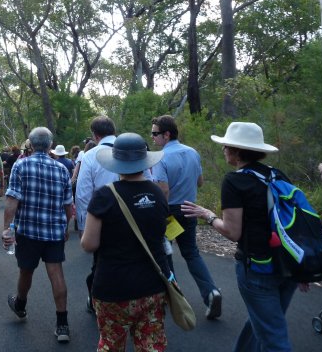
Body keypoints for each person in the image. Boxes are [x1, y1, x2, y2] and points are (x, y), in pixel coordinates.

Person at [181, 122, 309, 351]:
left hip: (257, 269)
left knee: (274, 338)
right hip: (287, 265)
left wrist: (208, 215)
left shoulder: (234, 181)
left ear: (237, 151)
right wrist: (303, 266)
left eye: (226, 146)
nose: (223, 150)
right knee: (264, 320)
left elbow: (232, 232)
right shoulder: (277, 175)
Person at [81, 133, 169, 352]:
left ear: (116, 163)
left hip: (113, 287)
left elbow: (89, 244)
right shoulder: (157, 193)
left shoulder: (104, 196)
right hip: (153, 285)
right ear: (144, 161)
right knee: (151, 346)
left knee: (111, 344)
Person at [2, 127, 74, 344]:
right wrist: (65, 228)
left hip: (28, 231)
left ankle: (21, 305)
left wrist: (7, 229)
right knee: (56, 273)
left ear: (31, 145)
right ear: (50, 145)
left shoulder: (21, 165)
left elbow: (12, 202)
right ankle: (62, 324)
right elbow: (68, 206)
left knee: (26, 271)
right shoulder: (61, 169)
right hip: (53, 231)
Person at [151, 115, 222, 319]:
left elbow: (163, 191)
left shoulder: (160, 158)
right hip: (190, 209)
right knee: (191, 253)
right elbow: (199, 182)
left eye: (155, 133)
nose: (153, 137)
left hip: (169, 212)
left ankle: (172, 296)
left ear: (166, 134)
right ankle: (211, 292)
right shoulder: (193, 152)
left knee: (165, 253)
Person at [75, 116, 118, 313]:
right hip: (135, 216)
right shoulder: (133, 148)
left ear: (95, 134)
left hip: (103, 217)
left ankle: (97, 299)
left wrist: (84, 226)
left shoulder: (90, 155)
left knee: (101, 260)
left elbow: (83, 194)